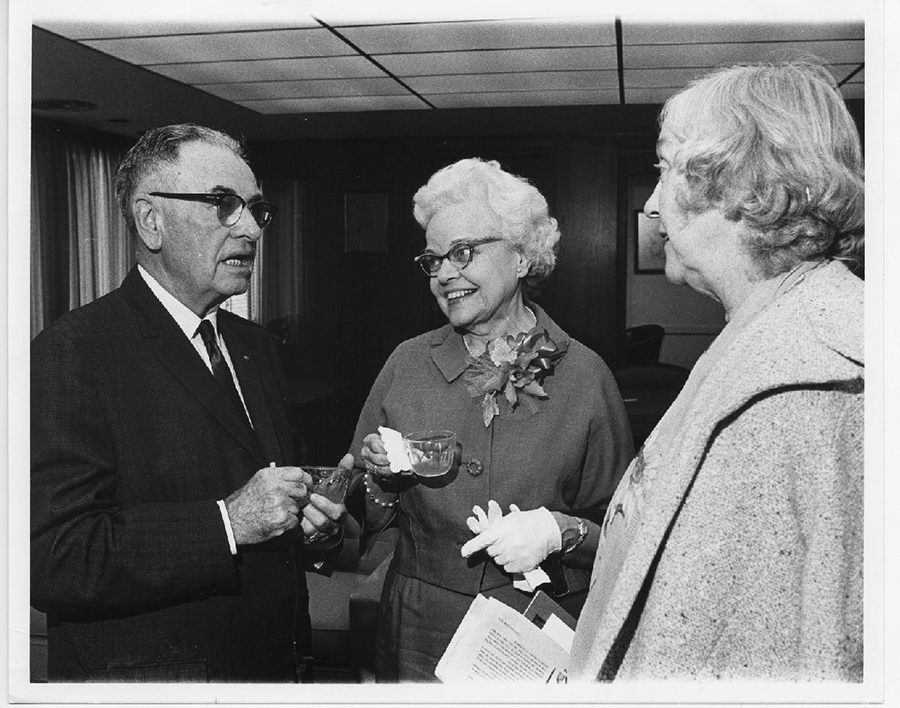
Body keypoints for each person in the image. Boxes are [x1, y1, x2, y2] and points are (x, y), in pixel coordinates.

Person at [568, 61, 864, 681]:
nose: (651, 205)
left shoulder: (811, 379)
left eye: (666, 167)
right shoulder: (764, 331)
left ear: (738, 184)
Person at [31, 123, 348, 682]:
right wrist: (227, 523)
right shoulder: (73, 350)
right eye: (224, 204)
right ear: (151, 221)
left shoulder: (252, 346)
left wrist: (314, 525)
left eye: (255, 209)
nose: (250, 228)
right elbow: (55, 556)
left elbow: (277, 494)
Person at [350, 158, 633, 681]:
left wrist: (559, 531)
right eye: (433, 260)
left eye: (463, 253)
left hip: (536, 635)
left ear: (523, 257)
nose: (445, 275)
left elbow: (626, 535)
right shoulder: (406, 364)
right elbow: (357, 520)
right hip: (418, 633)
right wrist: (381, 486)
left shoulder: (585, 376)